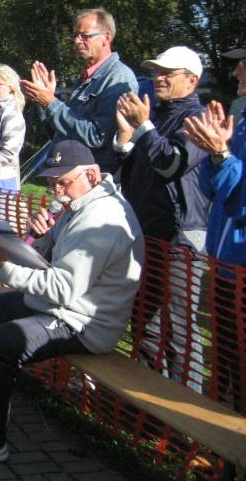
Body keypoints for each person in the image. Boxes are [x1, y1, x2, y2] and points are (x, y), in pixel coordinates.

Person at [0, 140, 144, 464]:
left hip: (87, 325)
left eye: (63, 182)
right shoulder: (81, 205)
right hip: (70, 309)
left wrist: (5, 270)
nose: (57, 191)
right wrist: (41, 235)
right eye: (52, 183)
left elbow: (63, 288)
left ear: (91, 175)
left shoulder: (100, 220)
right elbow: (48, 262)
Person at [114, 46, 208, 392]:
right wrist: (126, 140)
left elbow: (171, 164)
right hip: (147, 233)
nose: (159, 78)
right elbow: (135, 173)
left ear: (192, 81)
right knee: (145, 323)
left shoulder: (198, 119)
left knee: (178, 330)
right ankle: (147, 404)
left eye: (168, 72)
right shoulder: (156, 115)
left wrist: (143, 127)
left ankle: (189, 409)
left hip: (181, 238)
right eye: (156, 71)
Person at [184, 42, 246, 412]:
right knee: (224, 356)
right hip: (224, 263)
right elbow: (211, 189)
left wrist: (222, 155)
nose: (236, 72)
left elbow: (240, 200)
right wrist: (214, 153)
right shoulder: (242, 120)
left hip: (240, 265)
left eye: (243, 64)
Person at [23, 7, 138, 173]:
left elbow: (97, 137)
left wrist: (51, 104)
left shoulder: (118, 78)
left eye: (85, 36)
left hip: (92, 179)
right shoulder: (87, 77)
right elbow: (61, 132)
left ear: (106, 37)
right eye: (75, 35)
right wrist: (43, 103)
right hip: (68, 175)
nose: (77, 41)